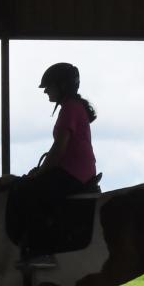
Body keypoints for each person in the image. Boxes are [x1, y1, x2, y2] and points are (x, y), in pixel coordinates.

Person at [17, 62, 98, 269]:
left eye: (49, 86)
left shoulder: (69, 108)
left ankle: (41, 251)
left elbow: (59, 148)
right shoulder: (73, 107)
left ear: (62, 86)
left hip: (74, 172)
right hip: (78, 170)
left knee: (29, 192)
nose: (45, 91)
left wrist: (40, 173)